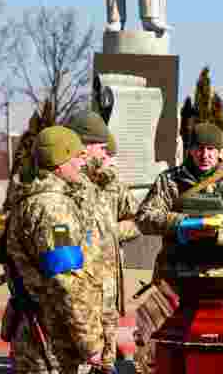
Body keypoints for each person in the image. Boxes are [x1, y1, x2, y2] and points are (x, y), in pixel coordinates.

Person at [134, 122, 223, 370]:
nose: (205, 155)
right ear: (190, 150)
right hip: (176, 278)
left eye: (211, 149)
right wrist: (180, 224)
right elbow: (144, 218)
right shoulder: (169, 181)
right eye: (198, 148)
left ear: (221, 152)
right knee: (151, 340)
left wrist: (218, 233)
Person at [5, 126, 104, 373]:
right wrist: (90, 342)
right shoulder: (52, 210)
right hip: (52, 340)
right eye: (76, 157)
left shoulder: (34, 198)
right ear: (59, 162)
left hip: (39, 332)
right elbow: (66, 280)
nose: (82, 163)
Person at [65, 111, 139, 373]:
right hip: (81, 279)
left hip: (108, 280)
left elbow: (136, 221)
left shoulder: (113, 184)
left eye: (109, 153)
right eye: (102, 149)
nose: (107, 158)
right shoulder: (67, 182)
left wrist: (110, 232)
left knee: (107, 340)